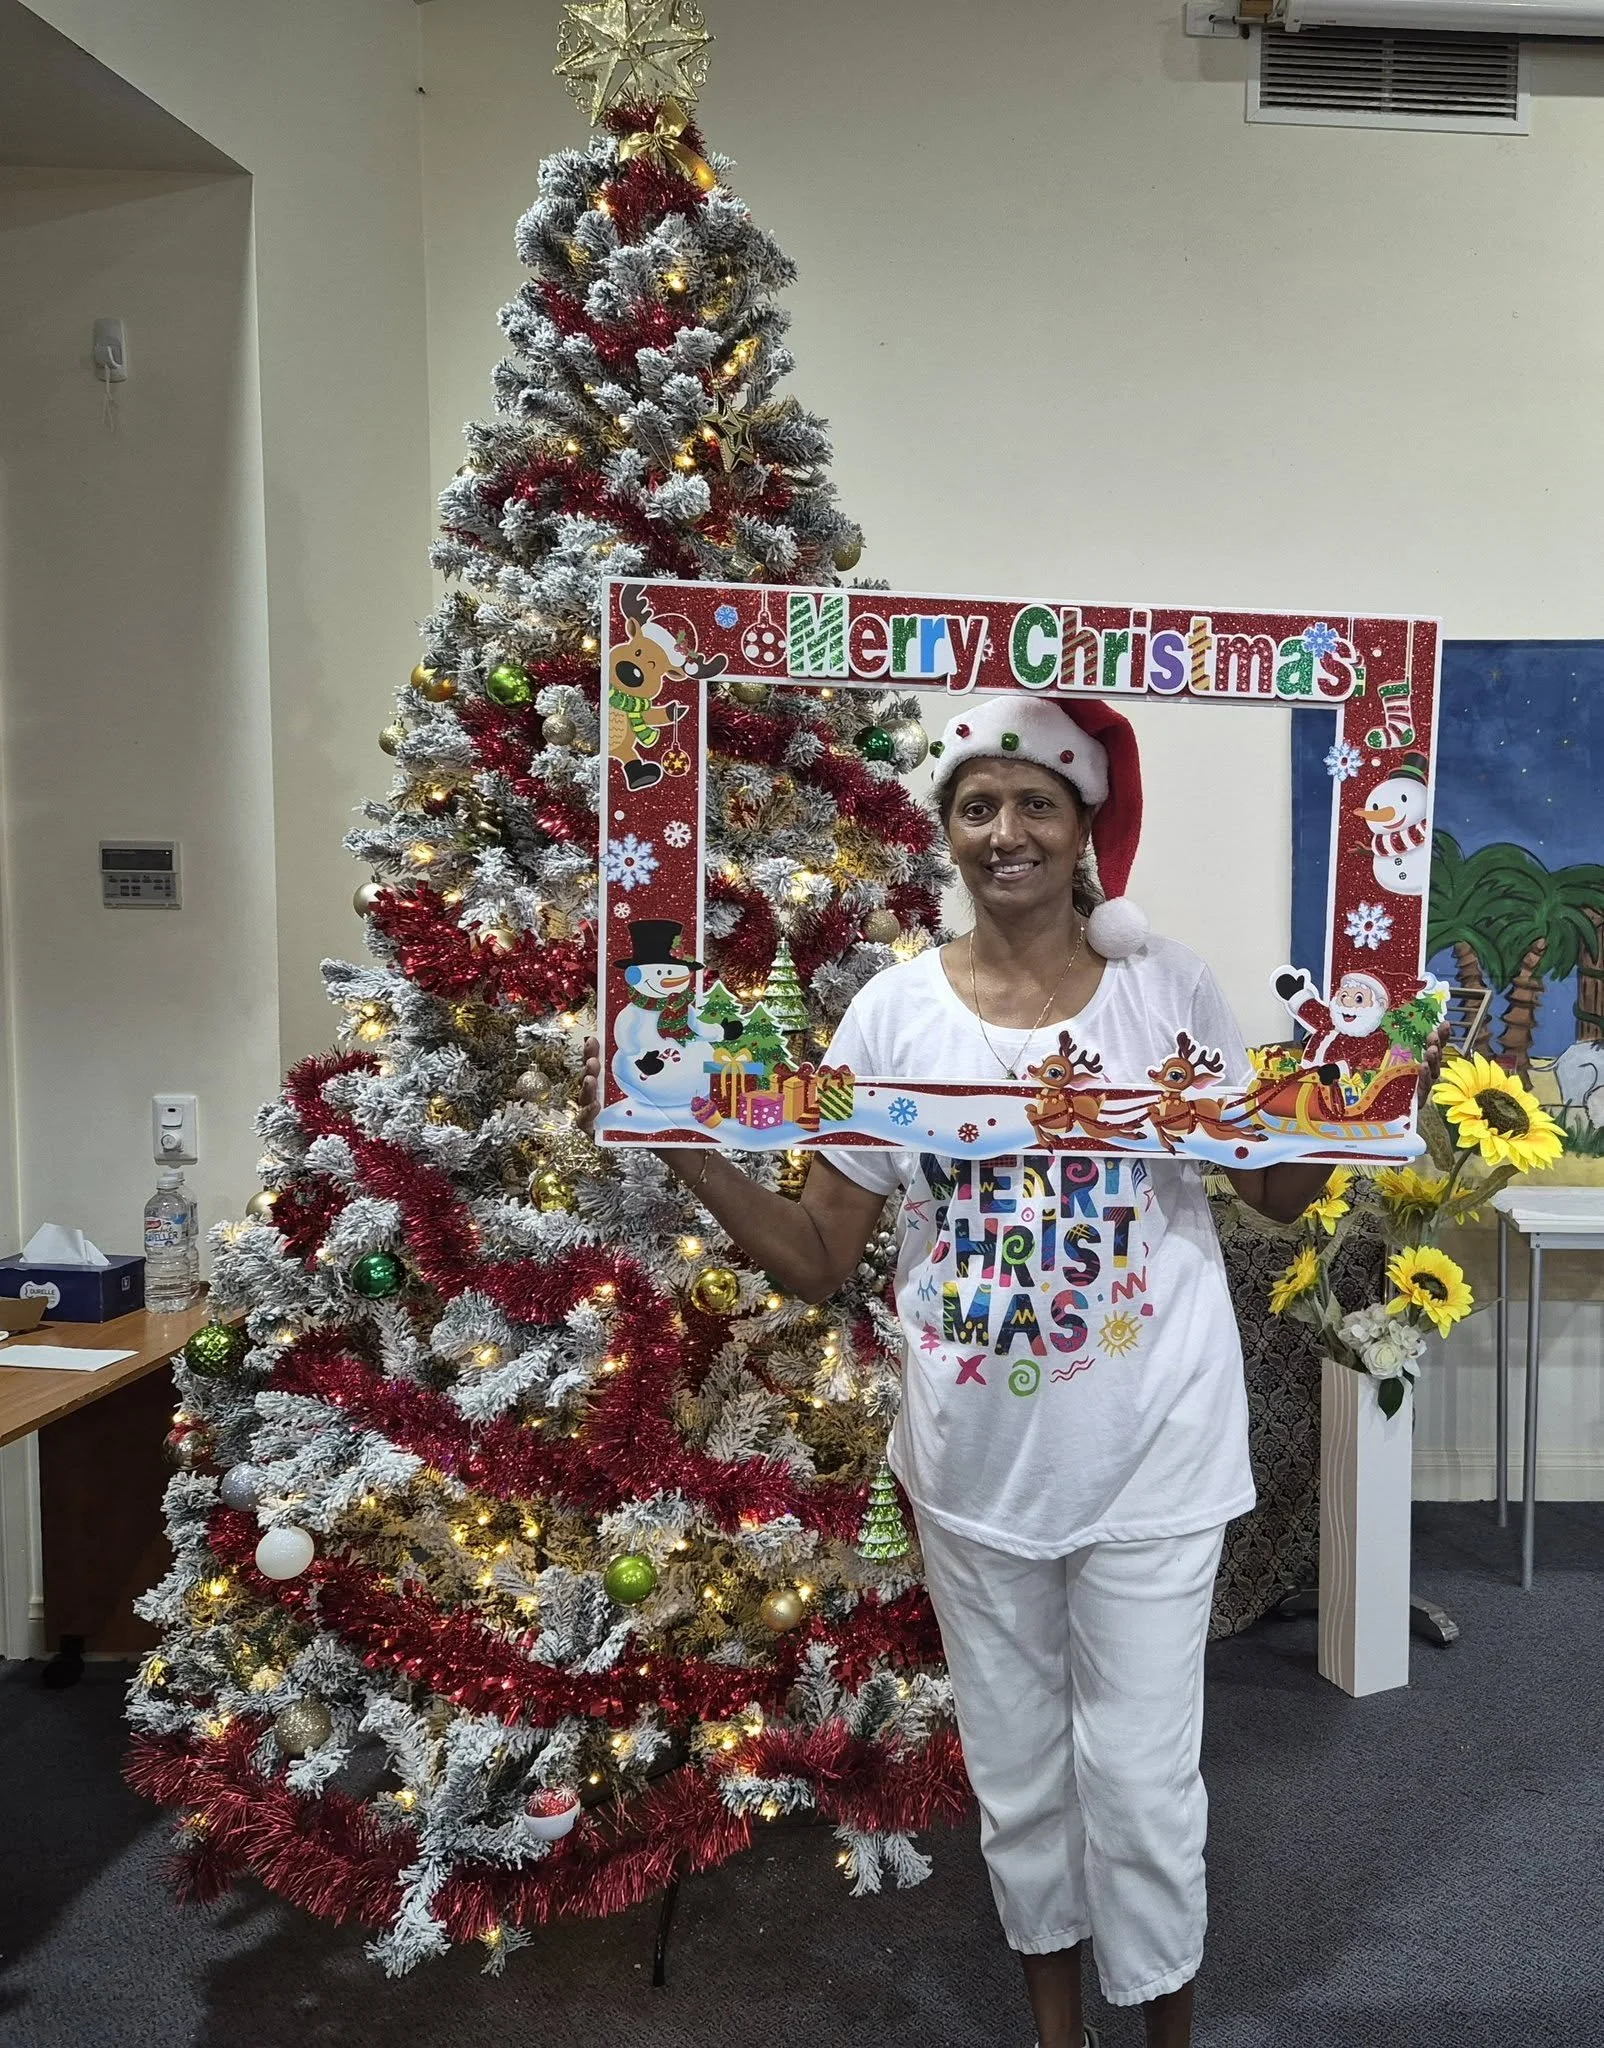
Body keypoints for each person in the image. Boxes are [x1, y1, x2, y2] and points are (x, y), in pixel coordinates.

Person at [580, 693, 1437, 2048]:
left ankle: (1165, 2034)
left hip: (1156, 1440)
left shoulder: (1167, 987)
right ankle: (1057, 2034)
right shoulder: (891, 1014)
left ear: (1087, 821)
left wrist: (1366, 1087)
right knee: (1024, 1781)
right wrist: (671, 1131)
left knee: (1145, 1786)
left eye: (1037, 801)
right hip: (975, 1464)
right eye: (978, 805)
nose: (1006, 829)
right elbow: (816, 1252)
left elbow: (1272, 1192)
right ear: (947, 833)